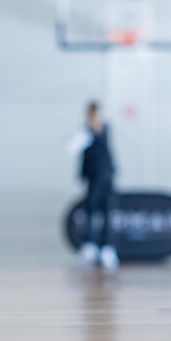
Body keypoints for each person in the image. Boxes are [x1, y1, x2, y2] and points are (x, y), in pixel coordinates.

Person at [68, 101, 119, 270]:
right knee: (91, 212)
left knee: (107, 212)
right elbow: (73, 149)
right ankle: (89, 247)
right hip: (93, 179)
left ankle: (107, 248)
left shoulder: (103, 129)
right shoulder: (84, 131)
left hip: (106, 177)